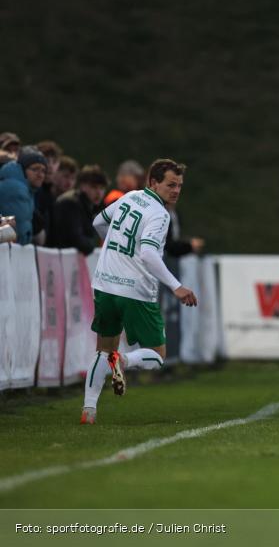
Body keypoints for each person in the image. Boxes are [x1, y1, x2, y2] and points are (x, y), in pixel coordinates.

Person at [81, 159, 198, 425]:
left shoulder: (129, 197)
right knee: (156, 356)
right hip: (134, 289)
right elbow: (147, 252)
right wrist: (176, 286)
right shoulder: (160, 214)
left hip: (105, 284)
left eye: (179, 185)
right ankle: (122, 360)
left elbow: (99, 222)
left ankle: (89, 410)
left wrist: (113, 248)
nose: (176, 190)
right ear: (153, 182)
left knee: (102, 349)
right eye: (170, 184)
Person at [50, 165, 108, 255]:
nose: (99, 192)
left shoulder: (92, 206)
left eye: (102, 188)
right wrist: (92, 247)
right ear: (83, 185)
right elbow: (76, 239)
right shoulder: (71, 203)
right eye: (94, 187)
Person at [0, 146, 46, 245]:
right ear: (23, 169)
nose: (40, 175)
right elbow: (18, 232)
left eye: (43, 171)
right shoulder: (15, 189)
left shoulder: (26, 189)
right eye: (35, 169)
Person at [35, 155, 78, 246]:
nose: (69, 182)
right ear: (55, 172)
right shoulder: (43, 196)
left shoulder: (71, 204)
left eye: (73, 178)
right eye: (66, 176)